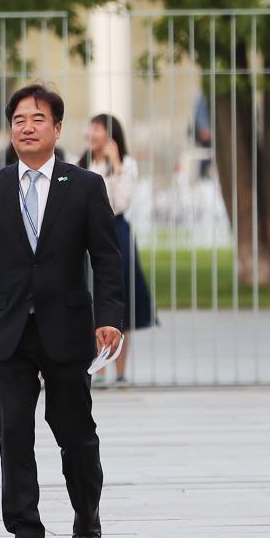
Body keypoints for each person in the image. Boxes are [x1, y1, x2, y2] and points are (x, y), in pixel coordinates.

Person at [0, 84, 124, 538]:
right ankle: (26, 535)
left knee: (73, 430)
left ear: (56, 128)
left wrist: (110, 319)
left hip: (66, 328)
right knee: (14, 432)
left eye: (37, 119)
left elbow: (107, 260)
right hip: (7, 330)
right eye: (18, 120)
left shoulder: (86, 186)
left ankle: (86, 510)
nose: (27, 127)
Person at [77, 114, 157, 383]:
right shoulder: (82, 165)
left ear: (111, 135)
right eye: (91, 128)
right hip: (85, 236)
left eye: (97, 129)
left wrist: (115, 165)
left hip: (116, 232)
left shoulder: (126, 165)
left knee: (121, 303)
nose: (91, 133)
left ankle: (120, 372)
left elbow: (119, 204)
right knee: (88, 300)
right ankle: (96, 370)